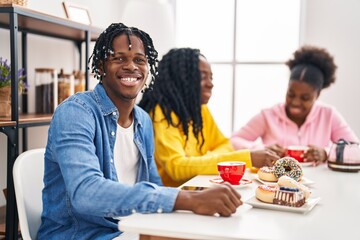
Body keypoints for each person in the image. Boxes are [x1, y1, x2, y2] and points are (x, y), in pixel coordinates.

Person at [38, 23, 243, 240]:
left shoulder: (143, 121)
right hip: (83, 235)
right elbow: (86, 193)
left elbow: (154, 185)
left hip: (131, 228)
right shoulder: (76, 113)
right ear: (100, 67)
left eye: (139, 60)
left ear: (148, 69)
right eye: (119, 58)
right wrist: (186, 200)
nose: (131, 66)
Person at [138, 48, 279, 187]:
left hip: (199, 189)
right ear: (181, 78)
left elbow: (224, 145)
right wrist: (247, 158)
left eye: (211, 77)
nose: (210, 84)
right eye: (202, 77)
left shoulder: (199, 109)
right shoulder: (161, 114)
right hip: (174, 200)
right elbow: (177, 168)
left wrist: (201, 161)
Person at [230, 45, 359, 166]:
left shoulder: (328, 115)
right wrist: (261, 150)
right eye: (291, 94)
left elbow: (356, 150)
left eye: (305, 98)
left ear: (317, 95)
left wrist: (326, 153)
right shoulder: (268, 115)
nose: (295, 102)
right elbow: (234, 140)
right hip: (277, 184)